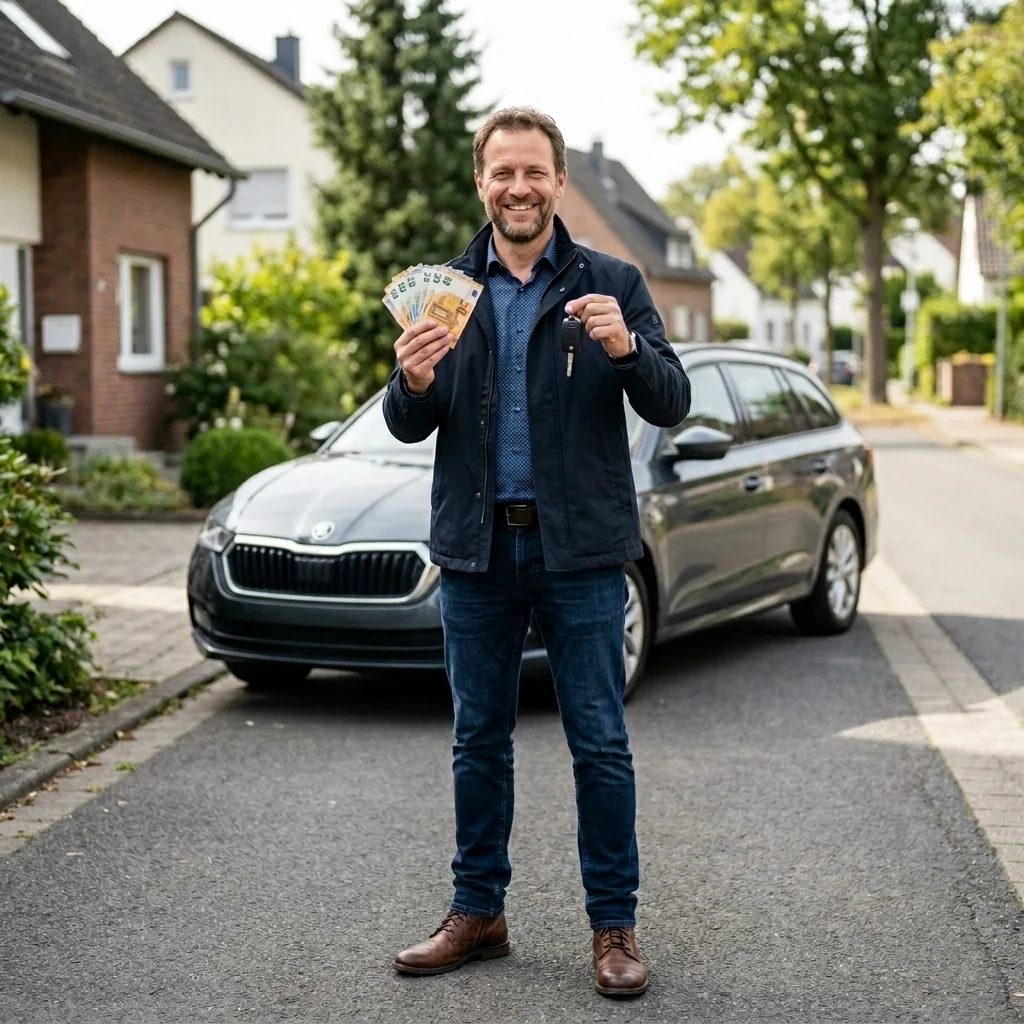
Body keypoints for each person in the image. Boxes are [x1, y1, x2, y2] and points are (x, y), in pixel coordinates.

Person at [383, 106, 691, 998]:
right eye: (501, 173)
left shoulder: (614, 280)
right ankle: (477, 912)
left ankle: (614, 927)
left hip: (583, 554)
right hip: (478, 553)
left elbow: (670, 401)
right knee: (478, 740)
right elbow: (407, 424)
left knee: (599, 743)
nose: (518, 188)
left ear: (559, 181)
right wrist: (411, 378)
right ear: (481, 182)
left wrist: (628, 349)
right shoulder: (446, 288)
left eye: (534, 172)